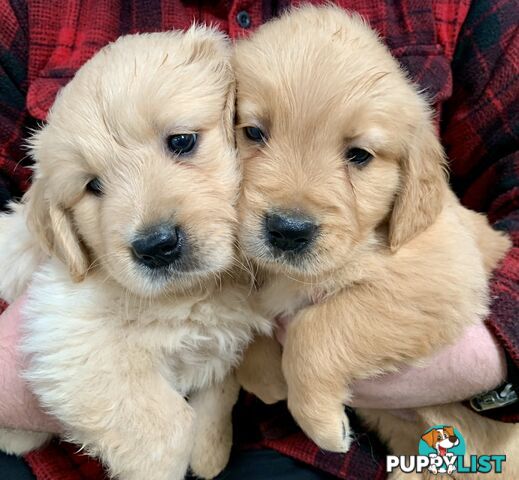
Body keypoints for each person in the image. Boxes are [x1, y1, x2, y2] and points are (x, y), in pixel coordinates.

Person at [0, 0, 517, 479]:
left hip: (393, 448)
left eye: (183, 144)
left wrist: (488, 356)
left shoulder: (465, 15)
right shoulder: (25, 14)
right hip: (73, 449)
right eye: (254, 134)